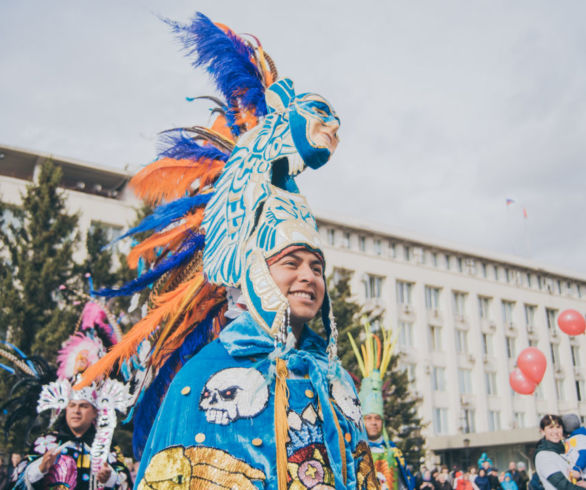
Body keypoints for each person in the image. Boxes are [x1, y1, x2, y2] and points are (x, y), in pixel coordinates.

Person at [77, 12, 378, 489]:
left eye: (316, 267)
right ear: (255, 269)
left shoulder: (333, 376)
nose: (308, 277)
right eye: (291, 263)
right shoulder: (205, 375)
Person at [354, 326, 415, 489]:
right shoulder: (353, 452)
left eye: (377, 418)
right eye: (368, 418)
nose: (374, 423)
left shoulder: (394, 452)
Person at [20, 398, 128, 489]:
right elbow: (17, 481)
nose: (76, 411)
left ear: (95, 411)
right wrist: (40, 470)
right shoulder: (46, 442)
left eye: (83, 406)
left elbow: (127, 484)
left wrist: (110, 479)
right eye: (72, 405)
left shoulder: (107, 446)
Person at [535, 414, 586, 490]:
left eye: (558, 427)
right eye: (551, 428)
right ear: (542, 431)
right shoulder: (544, 455)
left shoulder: (563, 453)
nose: (555, 431)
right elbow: (563, 485)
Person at [562, 413, 586, 480]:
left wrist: (577, 469)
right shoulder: (571, 439)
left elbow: (584, 454)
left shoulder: (580, 437)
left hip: (582, 476)